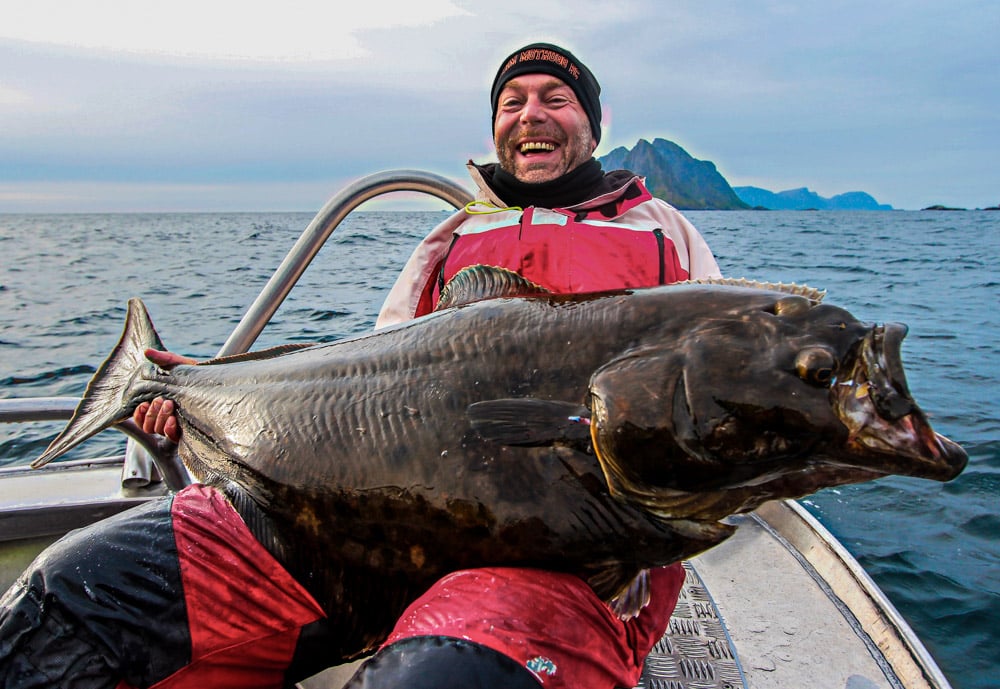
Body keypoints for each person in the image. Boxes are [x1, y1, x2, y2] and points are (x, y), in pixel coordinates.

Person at [44, 42, 719, 689]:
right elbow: (362, 390)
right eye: (510, 102)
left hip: (582, 565)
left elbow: (719, 401)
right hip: (400, 541)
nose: (531, 114)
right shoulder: (450, 239)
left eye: (556, 98)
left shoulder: (666, 233)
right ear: (496, 129)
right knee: (76, 584)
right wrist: (195, 403)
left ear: (593, 128)